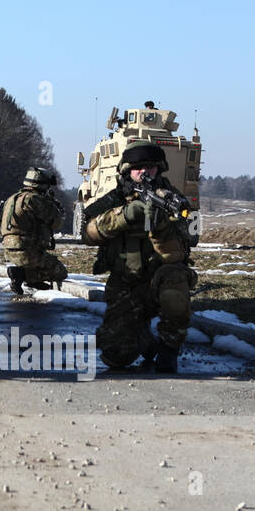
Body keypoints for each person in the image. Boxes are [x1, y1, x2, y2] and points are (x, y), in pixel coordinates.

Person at [81, 140, 197, 373]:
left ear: (159, 169)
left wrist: (161, 226)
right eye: (138, 169)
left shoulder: (170, 199)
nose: (145, 173)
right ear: (127, 171)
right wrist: (124, 216)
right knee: (115, 354)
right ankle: (144, 340)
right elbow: (88, 234)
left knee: (175, 281)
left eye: (151, 168)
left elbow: (182, 248)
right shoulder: (114, 199)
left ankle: (169, 348)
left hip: (161, 278)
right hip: (126, 282)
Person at [0, 167, 68, 294]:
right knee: (60, 271)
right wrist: (56, 208)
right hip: (27, 250)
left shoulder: (12, 198)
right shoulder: (35, 200)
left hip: (9, 250)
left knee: (39, 261)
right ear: (42, 185)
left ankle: (27, 277)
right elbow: (56, 222)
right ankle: (22, 275)